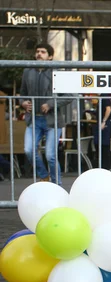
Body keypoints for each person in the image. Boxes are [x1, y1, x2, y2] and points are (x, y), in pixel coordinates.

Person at [19, 43, 74, 185]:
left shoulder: (57, 72)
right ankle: (44, 175)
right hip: (33, 119)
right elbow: (22, 94)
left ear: (50, 57)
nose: (39, 54)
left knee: (50, 155)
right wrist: (23, 102)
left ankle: (57, 185)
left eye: (43, 52)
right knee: (28, 150)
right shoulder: (28, 71)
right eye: (37, 51)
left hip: (52, 120)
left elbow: (69, 95)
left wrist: (50, 103)